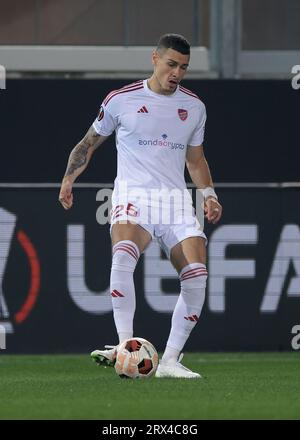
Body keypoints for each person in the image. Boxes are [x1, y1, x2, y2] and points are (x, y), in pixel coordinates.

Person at [59, 33, 222, 378]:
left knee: (196, 276)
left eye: (183, 67)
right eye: (171, 64)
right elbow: (88, 144)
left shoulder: (194, 107)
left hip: (176, 201)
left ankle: (170, 361)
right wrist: (69, 178)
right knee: (124, 254)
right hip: (134, 196)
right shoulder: (122, 100)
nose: (176, 72)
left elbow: (195, 158)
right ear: (155, 59)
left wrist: (208, 194)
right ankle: (124, 346)